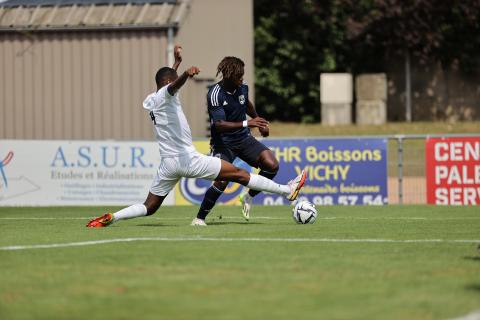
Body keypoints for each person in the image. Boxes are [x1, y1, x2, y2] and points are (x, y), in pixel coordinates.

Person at [86, 46, 306, 228]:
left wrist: (176, 64)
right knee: (239, 174)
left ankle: (113, 217)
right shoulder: (168, 92)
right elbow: (172, 86)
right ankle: (288, 190)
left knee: (149, 207)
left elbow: (167, 83)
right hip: (186, 159)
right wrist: (185, 73)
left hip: (168, 164)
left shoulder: (152, 99)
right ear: (168, 83)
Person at [195, 56, 278, 224]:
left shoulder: (242, 88)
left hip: (244, 138)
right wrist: (249, 122)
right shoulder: (214, 93)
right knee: (222, 180)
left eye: (242, 75)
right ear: (228, 76)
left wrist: (259, 121)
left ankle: (248, 196)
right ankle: (199, 218)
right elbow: (219, 125)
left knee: (272, 165)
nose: (242, 78)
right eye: (238, 76)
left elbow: (246, 104)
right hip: (223, 143)